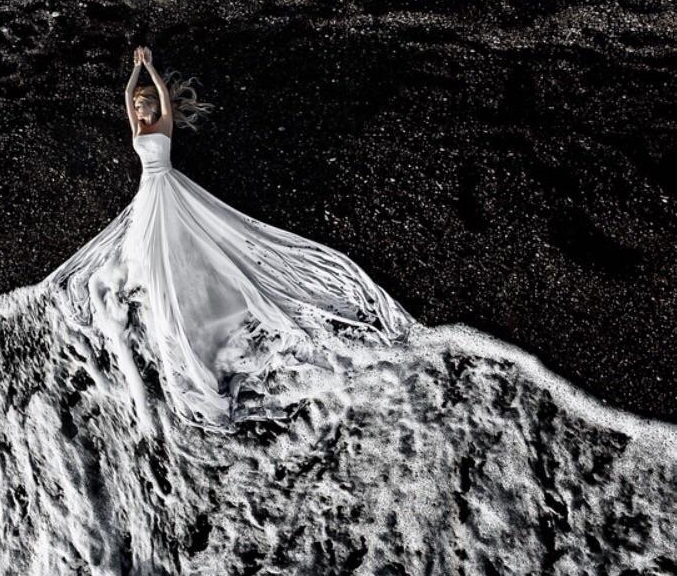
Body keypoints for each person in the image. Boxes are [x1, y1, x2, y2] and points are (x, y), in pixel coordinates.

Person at [46, 45, 414, 429]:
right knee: (152, 252)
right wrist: (133, 73)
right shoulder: (139, 127)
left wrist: (150, 69)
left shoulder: (164, 123)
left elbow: (163, 98)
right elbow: (124, 97)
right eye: (137, 108)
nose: (138, 111)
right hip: (148, 191)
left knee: (189, 241)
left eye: (144, 106)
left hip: (169, 186)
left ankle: (206, 303)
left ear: (154, 106)